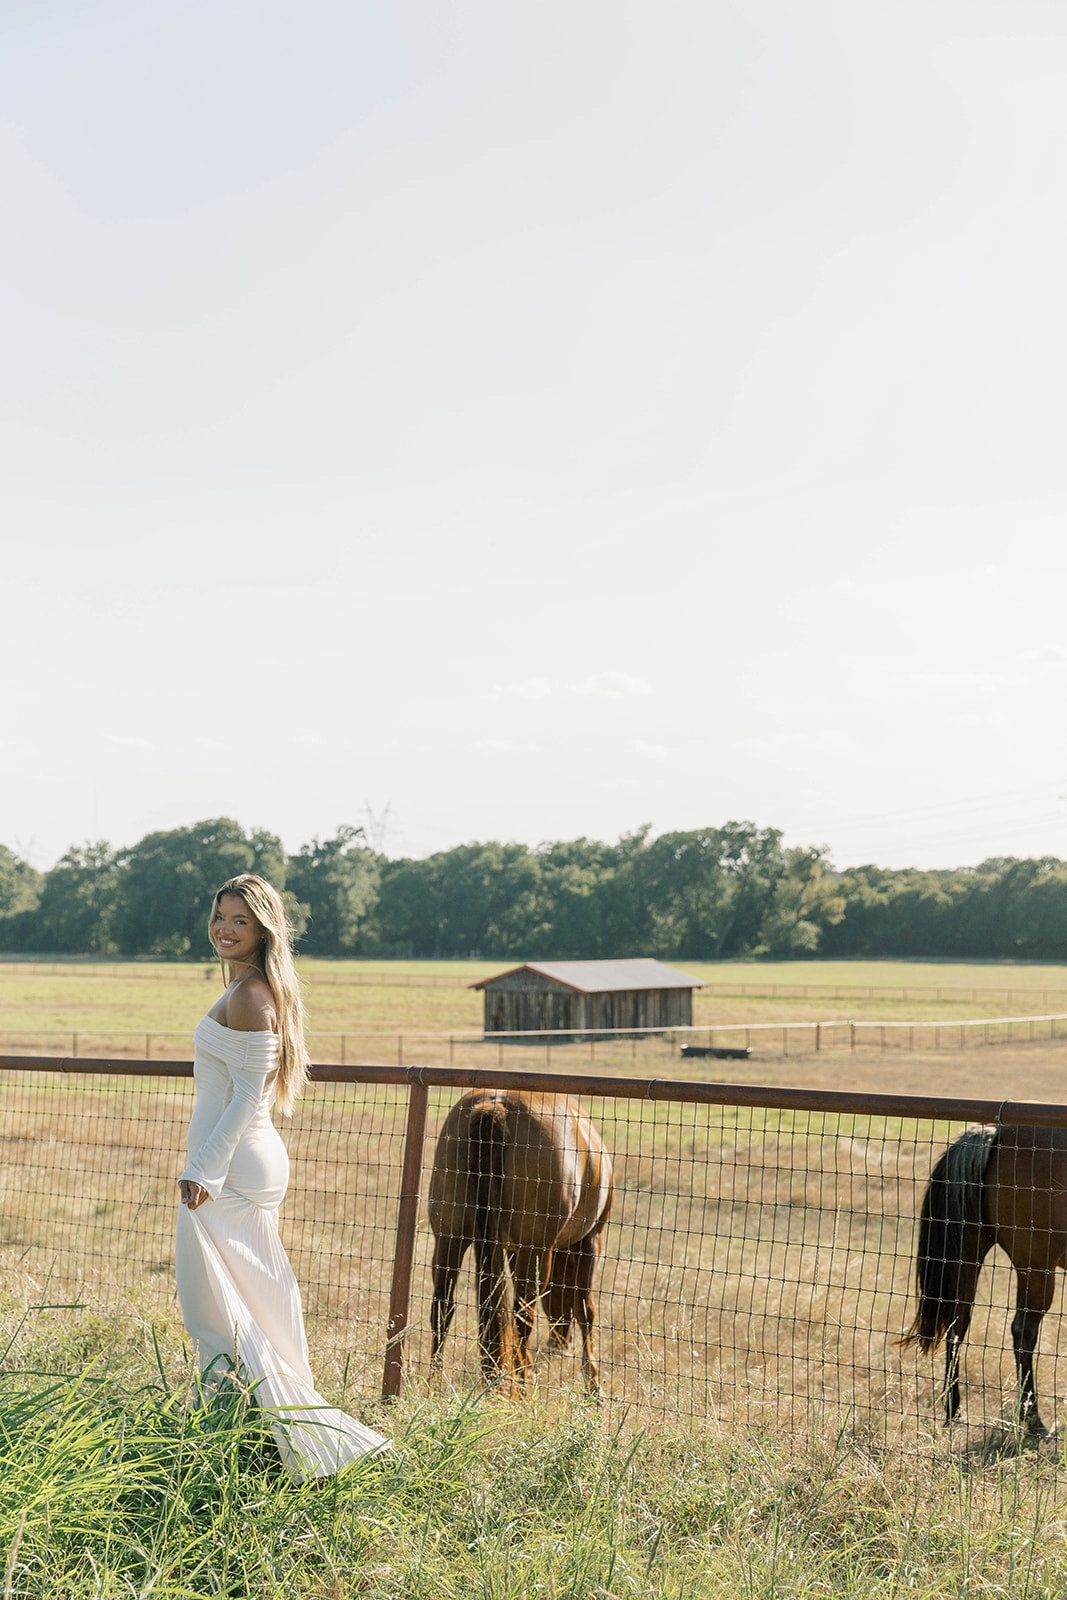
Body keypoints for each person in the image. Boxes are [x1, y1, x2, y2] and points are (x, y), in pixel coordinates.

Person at [176, 872, 389, 1483]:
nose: (224, 928)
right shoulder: (253, 988)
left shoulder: (251, 996)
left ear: (262, 929)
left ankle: (245, 1438)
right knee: (251, 1305)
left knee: (214, 1309)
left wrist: (202, 1169)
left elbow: (246, 1098)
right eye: (219, 916)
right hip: (242, 1163)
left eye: (239, 920)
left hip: (232, 1169)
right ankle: (271, 1433)